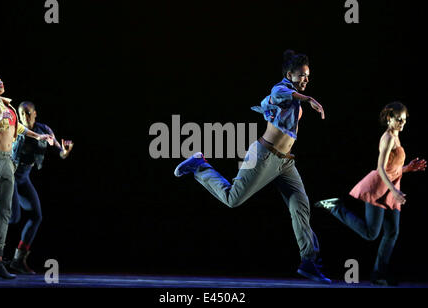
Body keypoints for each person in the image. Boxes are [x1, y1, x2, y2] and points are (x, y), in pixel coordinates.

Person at [174, 50, 331, 283]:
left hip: (285, 162)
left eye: (308, 76)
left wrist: (301, 98)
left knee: (300, 206)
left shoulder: (293, 94)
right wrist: (308, 99)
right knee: (232, 199)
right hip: (262, 156)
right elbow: (279, 93)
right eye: (302, 76)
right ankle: (200, 166)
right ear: (290, 74)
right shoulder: (282, 89)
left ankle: (309, 262)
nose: (306, 80)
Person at [315, 102, 426, 286]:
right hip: (378, 188)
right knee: (371, 234)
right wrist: (395, 190)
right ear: (390, 118)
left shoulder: (397, 137)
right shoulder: (388, 138)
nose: (402, 124)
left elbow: (392, 169)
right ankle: (335, 207)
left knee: (392, 232)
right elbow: (381, 169)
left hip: (390, 188)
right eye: (399, 120)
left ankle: (378, 274)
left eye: (404, 120)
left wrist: (408, 168)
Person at [0, 73, 53, 279]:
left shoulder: (9, 107)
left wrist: (40, 136)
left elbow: (19, 128)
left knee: (7, 214)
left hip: (11, 167)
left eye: (0, 79)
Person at [8, 101, 73, 274]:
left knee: (36, 216)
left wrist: (65, 152)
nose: (25, 117)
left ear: (35, 113)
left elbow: (60, 152)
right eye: (22, 114)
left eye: (28, 113)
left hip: (23, 179)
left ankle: (18, 261)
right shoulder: (15, 129)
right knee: (14, 217)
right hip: (9, 177)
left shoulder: (44, 129)